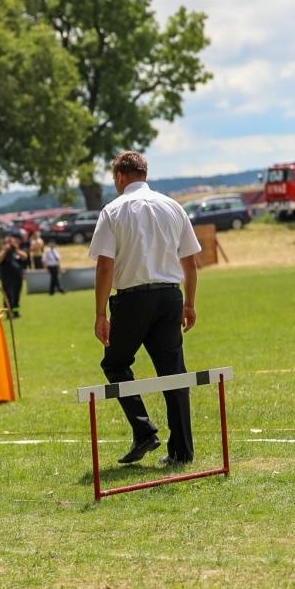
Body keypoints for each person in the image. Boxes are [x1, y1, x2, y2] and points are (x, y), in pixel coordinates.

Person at [89, 150, 201, 467]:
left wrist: (100, 313)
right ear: (145, 174)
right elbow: (191, 263)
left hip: (133, 299)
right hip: (170, 297)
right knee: (174, 374)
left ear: (121, 177)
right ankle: (182, 451)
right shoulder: (173, 206)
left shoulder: (113, 210)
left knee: (115, 364)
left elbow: (105, 267)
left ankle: (143, 430)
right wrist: (190, 303)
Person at [0, 234, 28, 317]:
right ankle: (8, 312)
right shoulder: (3, 252)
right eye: (8, 242)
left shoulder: (17, 251)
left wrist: (16, 249)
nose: (10, 244)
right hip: (7, 278)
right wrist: (5, 250)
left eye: (12, 242)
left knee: (17, 294)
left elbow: (25, 257)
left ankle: (16, 312)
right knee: (8, 295)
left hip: (17, 277)